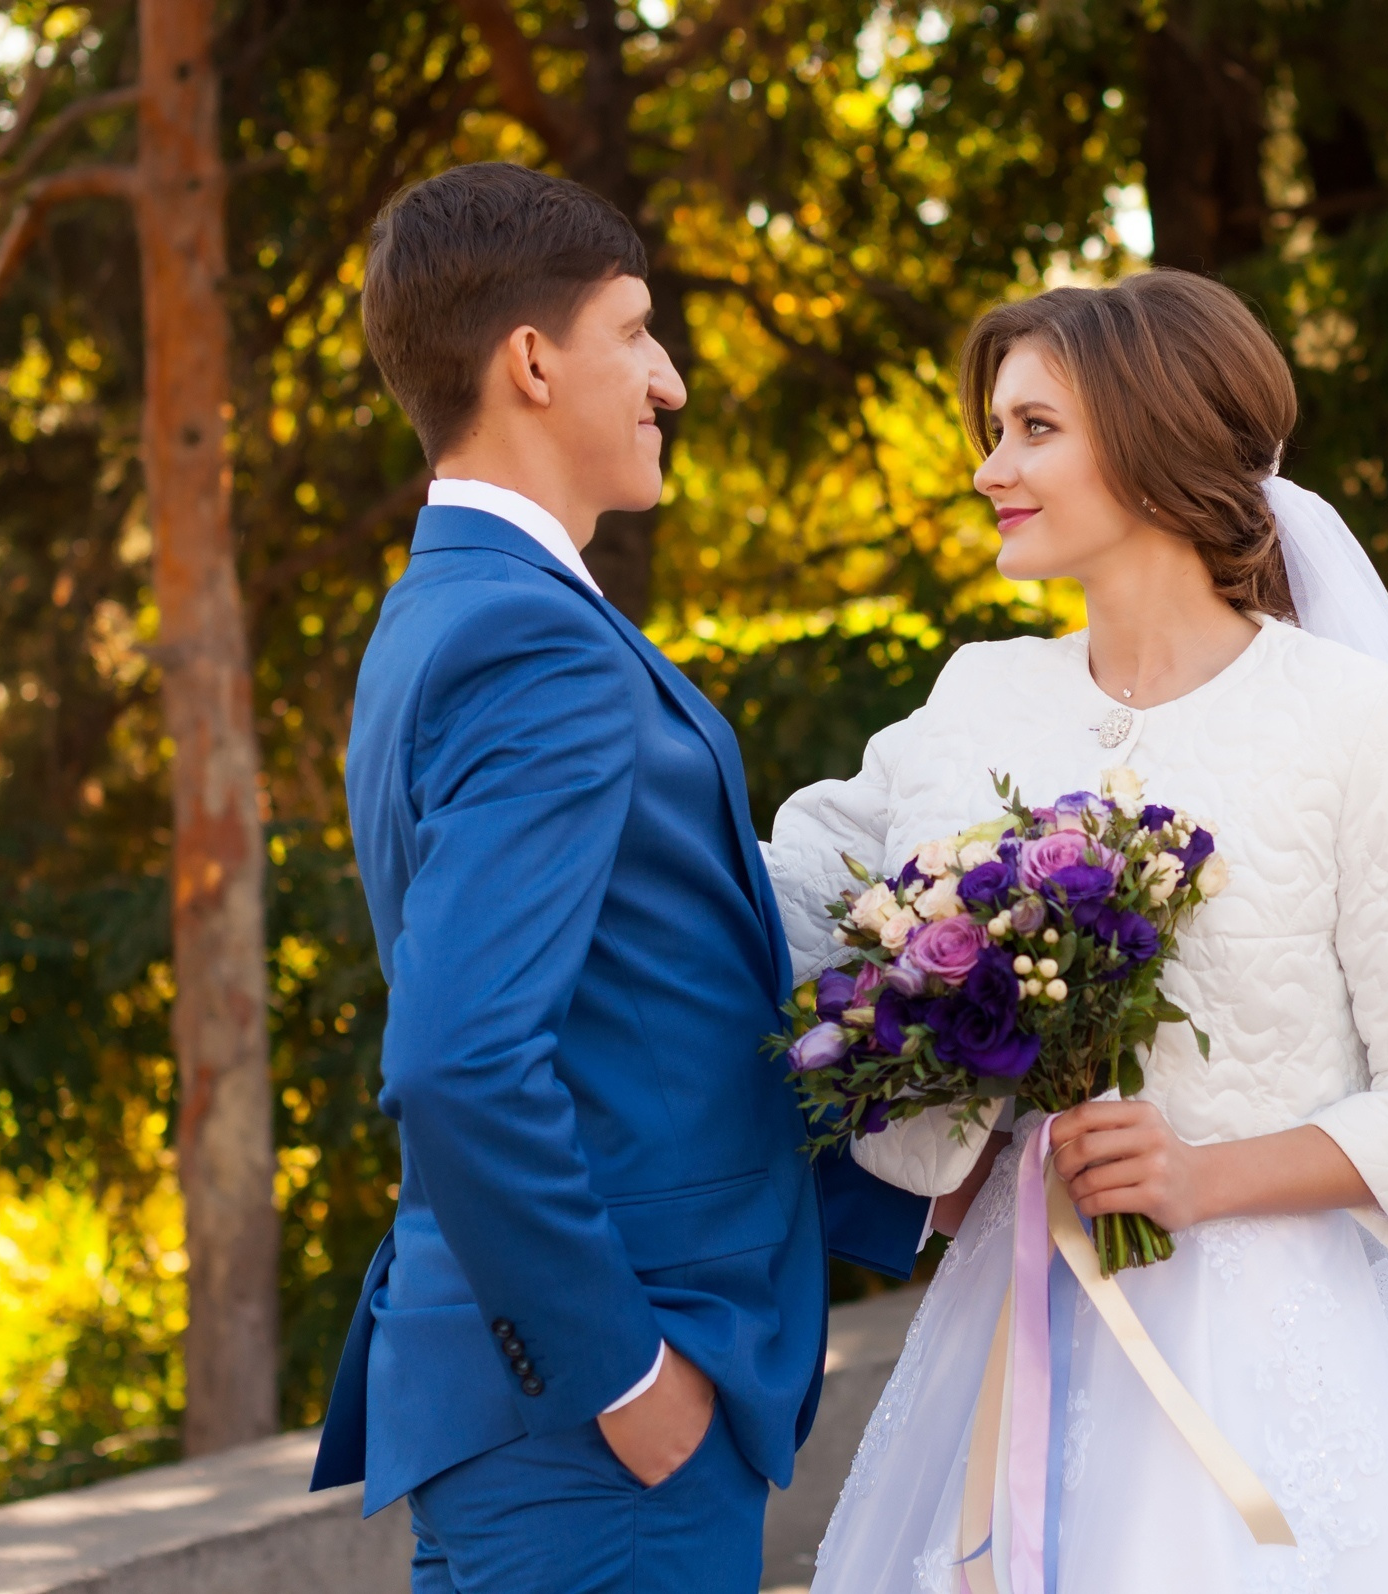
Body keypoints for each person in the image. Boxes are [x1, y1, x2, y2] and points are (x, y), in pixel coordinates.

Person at [767, 271, 1388, 1592]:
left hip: (1265, 1367)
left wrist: (1195, 1177)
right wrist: (939, 1113)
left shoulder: (1356, 722)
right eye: (993, 431)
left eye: (1033, 429)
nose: (992, 466)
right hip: (1006, 1337)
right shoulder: (975, 697)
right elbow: (787, 890)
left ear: (1155, 442)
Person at [307, 162, 931, 1594]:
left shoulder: (451, 612)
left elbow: (643, 1020)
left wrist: (912, 1195)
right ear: (530, 360)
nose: (672, 380)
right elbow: (463, 1060)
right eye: (637, 330)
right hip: (596, 1431)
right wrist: (626, 1372)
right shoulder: (531, 646)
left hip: (548, 1421)